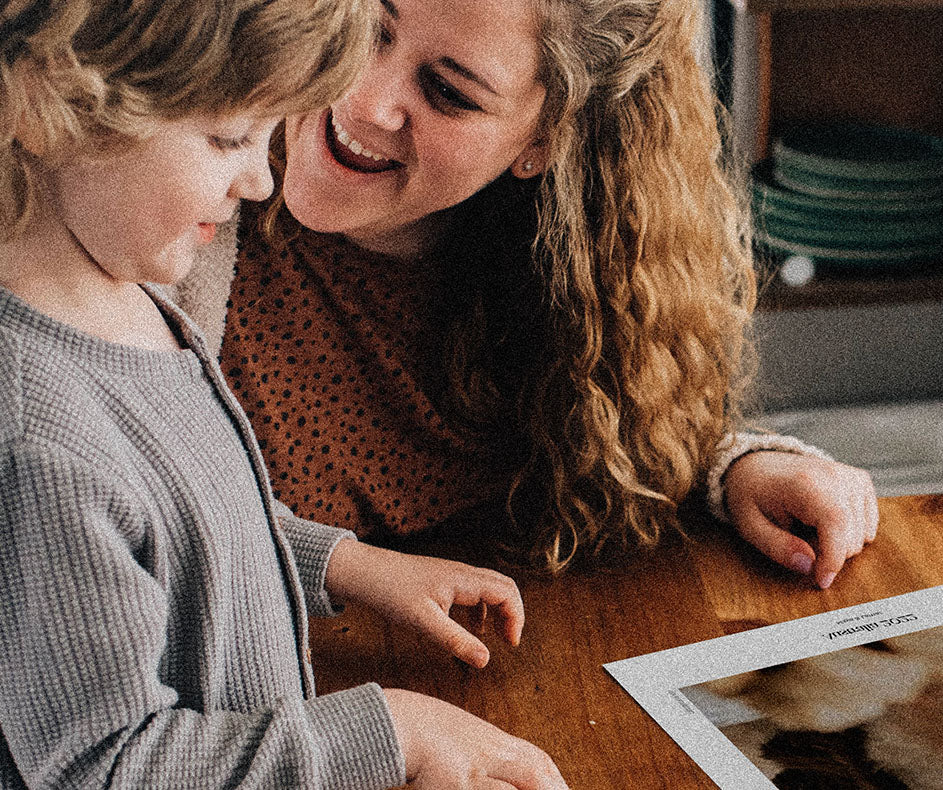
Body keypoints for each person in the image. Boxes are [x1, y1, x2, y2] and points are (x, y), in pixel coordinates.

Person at [0, 1, 568, 788]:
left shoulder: (122, 296)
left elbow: (178, 525)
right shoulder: (38, 441)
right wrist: (389, 733)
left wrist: (346, 566)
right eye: (231, 138)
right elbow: (105, 767)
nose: (261, 175)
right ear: (46, 104)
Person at [175, 0, 878, 590]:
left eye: (447, 93)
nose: (363, 101)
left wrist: (734, 468)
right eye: (365, 24)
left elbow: (617, 447)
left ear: (540, 142)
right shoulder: (160, 212)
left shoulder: (566, 279)